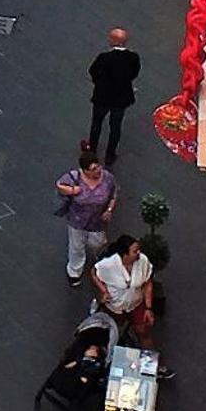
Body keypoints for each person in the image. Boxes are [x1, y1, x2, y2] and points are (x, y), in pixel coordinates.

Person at [91, 236, 172, 376]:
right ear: (124, 254)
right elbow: (94, 272)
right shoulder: (109, 265)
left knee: (144, 333)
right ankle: (102, 365)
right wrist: (103, 291)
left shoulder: (143, 261)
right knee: (109, 336)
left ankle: (152, 367)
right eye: (135, 251)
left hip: (136, 304)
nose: (138, 253)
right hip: (115, 306)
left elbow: (147, 283)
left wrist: (148, 308)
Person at [56, 149, 117, 285]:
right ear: (85, 170)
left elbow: (113, 194)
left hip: (97, 221)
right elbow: (59, 185)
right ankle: (74, 271)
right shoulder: (74, 177)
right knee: (76, 246)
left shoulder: (107, 178)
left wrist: (109, 209)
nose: (98, 171)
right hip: (77, 220)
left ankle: (94, 254)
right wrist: (72, 190)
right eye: (93, 169)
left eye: (98, 167)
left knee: (98, 242)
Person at [88, 28, 141, 164]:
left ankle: (92, 150)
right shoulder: (133, 57)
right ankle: (110, 155)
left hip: (102, 96)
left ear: (113, 41)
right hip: (121, 98)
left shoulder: (104, 58)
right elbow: (134, 73)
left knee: (96, 123)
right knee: (116, 126)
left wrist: (98, 83)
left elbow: (93, 71)